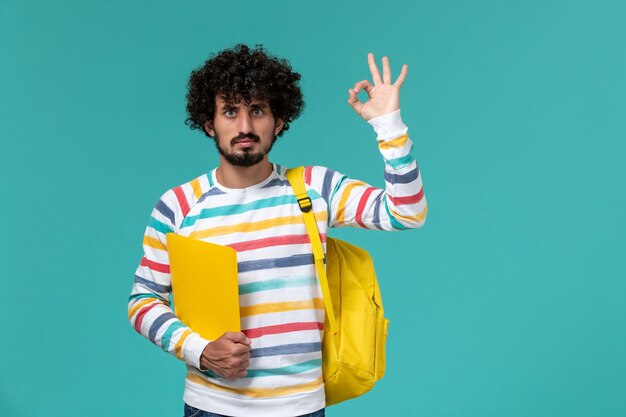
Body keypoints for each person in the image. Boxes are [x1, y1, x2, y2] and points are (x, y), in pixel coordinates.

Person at [128, 44, 428, 417]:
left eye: (257, 110)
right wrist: (198, 349)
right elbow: (142, 300)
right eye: (230, 112)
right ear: (210, 123)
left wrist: (389, 126)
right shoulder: (178, 205)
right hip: (211, 407)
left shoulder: (314, 188)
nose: (244, 127)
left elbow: (407, 212)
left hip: (300, 406)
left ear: (279, 121)